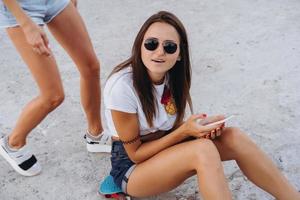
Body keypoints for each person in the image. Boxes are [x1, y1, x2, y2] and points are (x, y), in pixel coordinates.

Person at [103, 11, 300, 200]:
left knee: (234, 136)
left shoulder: (172, 76)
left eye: (170, 47)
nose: (159, 52)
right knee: (203, 150)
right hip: (132, 168)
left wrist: (196, 127)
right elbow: (135, 154)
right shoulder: (122, 87)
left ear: (180, 53)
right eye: (151, 44)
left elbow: (169, 129)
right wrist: (184, 132)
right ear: (140, 46)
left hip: (160, 152)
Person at [0, 0, 111, 177]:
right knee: (53, 96)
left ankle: (95, 134)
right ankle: (12, 143)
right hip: (20, 9)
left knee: (91, 67)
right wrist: (26, 24)